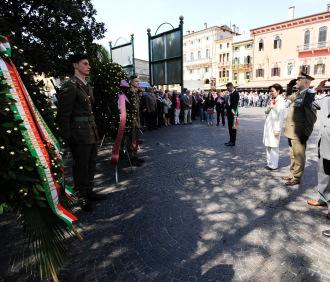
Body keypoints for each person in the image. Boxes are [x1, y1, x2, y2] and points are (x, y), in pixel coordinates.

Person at [57, 54, 104, 212]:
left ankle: (89, 191)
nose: (88, 66)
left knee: (91, 163)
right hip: (78, 133)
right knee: (81, 166)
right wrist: (67, 135)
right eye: (85, 63)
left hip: (90, 131)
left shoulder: (86, 84)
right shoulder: (70, 85)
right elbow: (64, 114)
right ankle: (81, 196)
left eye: (88, 63)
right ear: (75, 65)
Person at [282, 72, 317, 186]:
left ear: (306, 82)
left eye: (298, 80)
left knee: (299, 155)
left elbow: (312, 117)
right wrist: (289, 86)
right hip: (291, 130)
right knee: (293, 154)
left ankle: (296, 177)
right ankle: (292, 174)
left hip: (299, 132)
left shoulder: (309, 96)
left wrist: (306, 133)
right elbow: (287, 97)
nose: (296, 81)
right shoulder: (298, 94)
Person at [306, 79, 330, 219]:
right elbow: (307, 103)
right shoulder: (326, 100)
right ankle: (323, 198)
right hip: (325, 142)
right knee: (323, 172)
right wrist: (315, 89)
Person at [263, 84, 286, 170]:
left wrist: (277, 129)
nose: (271, 93)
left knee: (274, 146)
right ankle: (269, 163)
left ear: (278, 91)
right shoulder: (273, 100)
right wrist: (270, 106)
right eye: (270, 91)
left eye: (272, 91)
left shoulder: (281, 101)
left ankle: (274, 165)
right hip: (269, 126)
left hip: (275, 127)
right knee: (268, 145)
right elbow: (266, 111)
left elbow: (280, 116)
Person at [224, 82, 239, 146]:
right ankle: (231, 140)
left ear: (230, 86)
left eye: (228, 88)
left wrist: (226, 107)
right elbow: (228, 103)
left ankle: (233, 142)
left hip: (233, 113)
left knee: (233, 128)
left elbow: (233, 105)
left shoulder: (236, 93)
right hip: (230, 113)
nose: (227, 89)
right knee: (230, 128)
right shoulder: (231, 94)